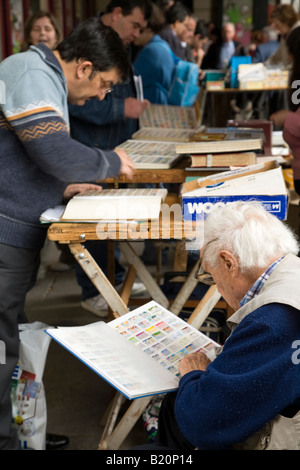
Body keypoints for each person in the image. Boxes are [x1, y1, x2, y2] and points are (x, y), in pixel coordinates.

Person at [0, 18, 134, 450]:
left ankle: (19, 431)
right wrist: (110, 162)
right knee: (1, 351)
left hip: (14, 231)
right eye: (104, 85)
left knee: (9, 345)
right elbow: (52, 149)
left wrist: (60, 186)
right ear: (84, 67)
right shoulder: (32, 72)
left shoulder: (44, 77)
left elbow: (24, 157)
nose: (101, 95)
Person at [139, 201, 300, 450]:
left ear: (228, 262)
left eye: (210, 276)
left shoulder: (271, 320)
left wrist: (195, 374)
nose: (215, 285)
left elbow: (204, 424)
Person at [68, 0, 153, 316]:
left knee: (108, 225)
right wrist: (122, 108)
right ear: (117, 14)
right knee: (93, 224)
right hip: (91, 149)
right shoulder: (90, 43)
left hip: (111, 148)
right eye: (134, 24)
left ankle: (113, 277)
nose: (136, 33)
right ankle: (93, 288)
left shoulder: (117, 44)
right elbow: (80, 102)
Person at [133, 3, 176, 104]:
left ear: (148, 28)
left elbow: (132, 81)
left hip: (153, 106)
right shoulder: (161, 45)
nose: (135, 33)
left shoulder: (151, 51)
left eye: (138, 28)